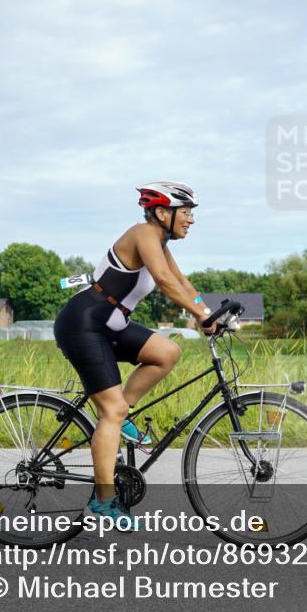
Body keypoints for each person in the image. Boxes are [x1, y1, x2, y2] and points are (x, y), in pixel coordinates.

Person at [53, 181, 216, 528]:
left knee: (167, 352)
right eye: (185, 213)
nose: (190, 220)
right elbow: (164, 281)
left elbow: (182, 283)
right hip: (84, 323)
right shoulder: (143, 233)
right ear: (162, 212)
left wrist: (209, 311)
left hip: (109, 323)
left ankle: (119, 417)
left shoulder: (159, 241)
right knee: (110, 411)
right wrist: (200, 316)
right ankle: (104, 503)